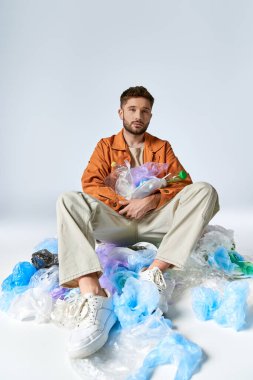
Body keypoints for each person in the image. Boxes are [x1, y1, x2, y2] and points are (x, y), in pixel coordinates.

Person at [56, 86, 219, 359]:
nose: (138, 115)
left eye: (144, 111)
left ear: (150, 116)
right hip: (116, 223)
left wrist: (153, 200)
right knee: (68, 199)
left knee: (205, 190)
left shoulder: (161, 147)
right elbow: (90, 184)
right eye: (132, 109)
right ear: (121, 112)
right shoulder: (105, 146)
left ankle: (155, 271)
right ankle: (93, 294)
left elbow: (182, 182)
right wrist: (123, 204)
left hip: (155, 223)